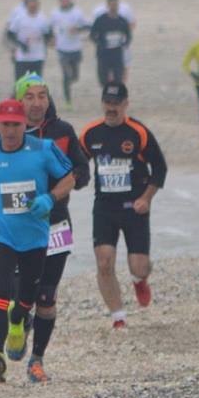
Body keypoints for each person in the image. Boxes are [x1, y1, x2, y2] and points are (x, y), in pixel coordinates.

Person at [0, 99, 73, 381]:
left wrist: (50, 197)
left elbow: (69, 177)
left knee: (27, 296)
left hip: (36, 237)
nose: (10, 130)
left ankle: (18, 320)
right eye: (5, 124)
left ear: (25, 125)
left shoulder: (43, 149)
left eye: (16, 124)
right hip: (1, 235)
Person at [18, 73, 89, 382]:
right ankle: (18, 321)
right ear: (20, 101)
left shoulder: (62, 131)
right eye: (30, 96)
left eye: (42, 96)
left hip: (56, 223)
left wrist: (54, 193)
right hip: (17, 227)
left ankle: (37, 360)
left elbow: (82, 172)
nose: (37, 102)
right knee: (22, 293)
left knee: (46, 296)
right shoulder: (5, 132)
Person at [80, 82, 167, 328]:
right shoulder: (90, 134)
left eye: (116, 104)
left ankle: (140, 280)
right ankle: (118, 317)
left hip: (134, 207)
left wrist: (146, 198)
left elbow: (160, 168)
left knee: (139, 266)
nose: (111, 108)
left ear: (125, 105)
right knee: (104, 262)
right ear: (102, 103)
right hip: (105, 207)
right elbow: (75, 164)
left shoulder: (138, 132)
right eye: (108, 103)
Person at [89, 0, 135, 85]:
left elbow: (129, 33)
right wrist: (99, 44)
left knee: (119, 78)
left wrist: (125, 44)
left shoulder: (122, 20)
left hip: (117, 53)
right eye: (111, 5)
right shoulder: (100, 19)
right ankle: (108, 96)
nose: (113, 7)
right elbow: (92, 34)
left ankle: (118, 96)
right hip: (103, 54)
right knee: (103, 81)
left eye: (115, 5)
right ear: (108, 5)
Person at [49, 0, 88, 106]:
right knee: (66, 74)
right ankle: (68, 100)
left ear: (70, 0)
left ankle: (69, 82)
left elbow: (87, 26)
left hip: (76, 48)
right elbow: (49, 28)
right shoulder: (55, 13)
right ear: (60, 2)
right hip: (62, 49)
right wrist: (51, 39)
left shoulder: (77, 12)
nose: (65, 2)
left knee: (75, 76)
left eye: (67, 0)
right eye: (63, 0)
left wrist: (77, 29)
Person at [4, 0, 52, 85]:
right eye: (31, 5)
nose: (33, 7)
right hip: (22, 57)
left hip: (38, 57)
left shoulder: (43, 19)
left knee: (36, 85)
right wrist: (20, 44)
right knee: (19, 84)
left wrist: (49, 42)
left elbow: (48, 35)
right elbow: (10, 34)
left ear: (38, 5)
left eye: (35, 5)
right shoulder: (19, 18)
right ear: (26, 6)